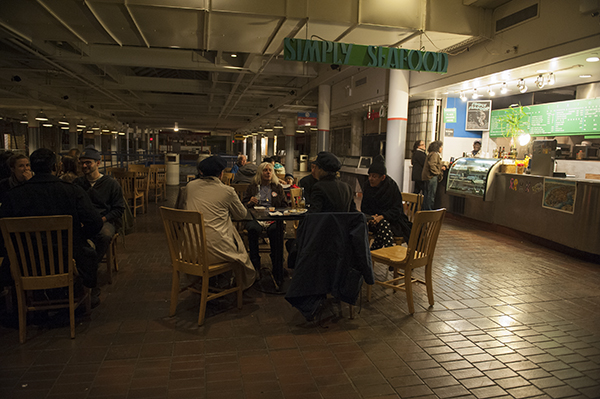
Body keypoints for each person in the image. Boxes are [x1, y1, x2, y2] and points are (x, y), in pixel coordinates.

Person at [1, 148, 103, 304]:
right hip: (67, 257)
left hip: (26, 262)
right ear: (56, 167)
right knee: (88, 251)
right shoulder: (72, 191)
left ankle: (24, 304)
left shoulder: (13, 195)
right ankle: (82, 298)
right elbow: (95, 222)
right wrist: (79, 235)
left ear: (32, 167)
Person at [183, 155, 256, 289]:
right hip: (215, 252)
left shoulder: (190, 187)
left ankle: (207, 283)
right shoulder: (227, 191)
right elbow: (241, 215)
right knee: (232, 245)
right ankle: (222, 286)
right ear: (221, 174)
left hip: (190, 251)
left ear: (201, 172)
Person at [73, 147, 125, 267]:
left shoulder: (111, 184)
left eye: (88, 163)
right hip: (83, 222)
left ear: (98, 163)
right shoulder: (77, 183)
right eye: (82, 163)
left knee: (104, 235)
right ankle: (82, 263)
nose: (84, 166)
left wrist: (103, 219)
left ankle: (91, 266)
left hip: (104, 220)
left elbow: (118, 209)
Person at [242, 162, 288, 271]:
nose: (268, 172)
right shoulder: (253, 187)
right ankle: (255, 263)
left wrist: (276, 210)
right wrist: (250, 202)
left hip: (273, 218)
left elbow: (284, 205)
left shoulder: (277, 187)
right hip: (256, 217)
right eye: (265, 170)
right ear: (260, 173)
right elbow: (243, 205)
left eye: (270, 170)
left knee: (277, 230)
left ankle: (277, 264)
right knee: (252, 229)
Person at [361, 160, 412, 250]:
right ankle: (387, 253)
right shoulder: (367, 186)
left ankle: (374, 252)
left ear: (383, 177)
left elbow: (397, 209)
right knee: (381, 226)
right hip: (372, 221)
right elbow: (364, 207)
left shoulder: (391, 187)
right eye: (369, 176)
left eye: (374, 176)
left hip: (393, 221)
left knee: (383, 224)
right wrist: (372, 217)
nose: (370, 179)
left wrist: (382, 216)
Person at [422, 140, 446, 211]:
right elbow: (432, 165)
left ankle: (425, 210)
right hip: (431, 177)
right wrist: (438, 172)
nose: (441, 149)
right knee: (431, 196)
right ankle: (429, 211)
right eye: (441, 147)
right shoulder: (435, 154)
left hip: (427, 177)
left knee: (427, 196)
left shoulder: (430, 154)